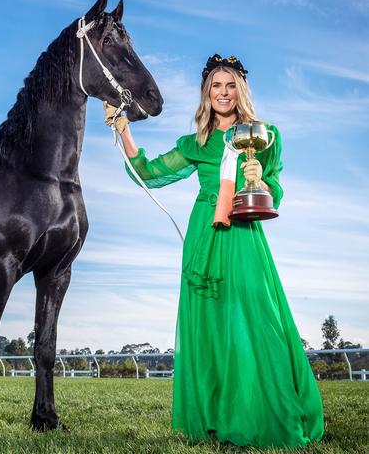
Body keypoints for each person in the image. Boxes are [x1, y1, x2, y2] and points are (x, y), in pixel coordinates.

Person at [104, 54, 324, 448]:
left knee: (257, 320)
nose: (223, 93)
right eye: (215, 86)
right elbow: (151, 173)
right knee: (207, 326)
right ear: (207, 93)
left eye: (230, 85)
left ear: (241, 90)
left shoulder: (265, 134)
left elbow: (276, 189)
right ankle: (214, 417)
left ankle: (267, 413)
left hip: (243, 233)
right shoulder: (197, 143)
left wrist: (262, 180)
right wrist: (123, 130)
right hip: (203, 234)